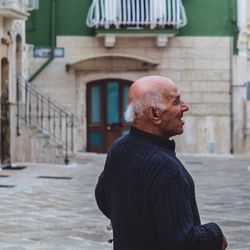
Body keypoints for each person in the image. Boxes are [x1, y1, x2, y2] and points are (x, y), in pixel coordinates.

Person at [95, 75, 228, 250]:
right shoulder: (165, 167)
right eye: (176, 101)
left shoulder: (118, 147)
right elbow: (182, 241)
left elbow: (102, 197)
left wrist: (134, 226)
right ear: (155, 114)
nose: (185, 107)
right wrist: (216, 235)